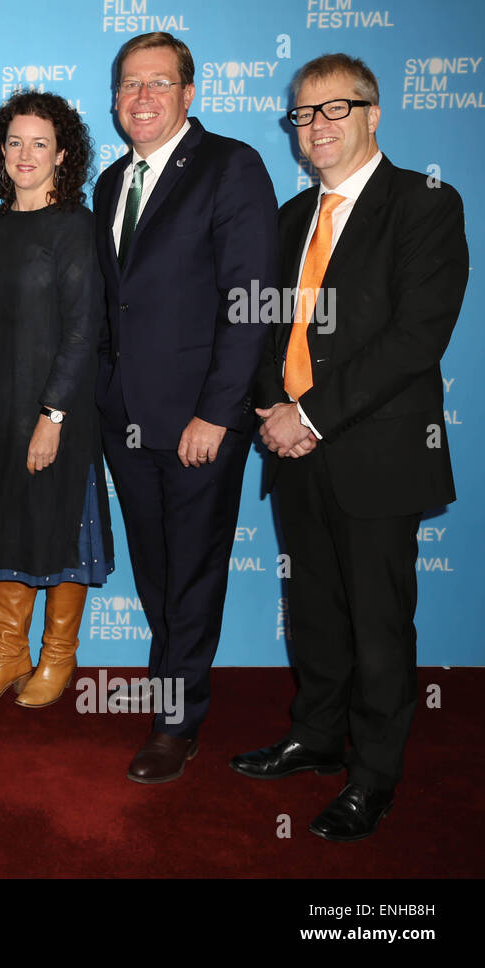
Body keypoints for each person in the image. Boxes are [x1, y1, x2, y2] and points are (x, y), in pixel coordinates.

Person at [232, 55, 469, 842]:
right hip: (293, 446)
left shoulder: (426, 205)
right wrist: (272, 405)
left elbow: (414, 337)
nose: (317, 127)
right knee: (317, 613)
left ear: (375, 113)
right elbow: (268, 321)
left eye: (336, 109)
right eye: (303, 114)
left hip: (374, 452)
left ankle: (373, 776)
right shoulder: (293, 216)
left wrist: (312, 416)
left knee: (378, 624)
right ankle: (316, 735)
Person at [93, 32, 277, 782]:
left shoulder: (230, 167)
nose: (142, 97)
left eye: (159, 83)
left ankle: (178, 720)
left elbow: (249, 302)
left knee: (194, 574)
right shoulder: (111, 182)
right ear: (114, 99)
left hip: (200, 420)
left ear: (189, 94)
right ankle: (175, 686)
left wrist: (219, 412)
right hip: (125, 422)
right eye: (130, 84)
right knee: (159, 575)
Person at [0, 91, 113, 710]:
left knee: (59, 530)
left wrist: (52, 417)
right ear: (2, 152)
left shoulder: (75, 225)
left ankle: (57, 659)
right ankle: (7, 655)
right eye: (15, 142)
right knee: (8, 528)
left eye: (39, 144)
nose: (25, 154)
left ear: (62, 155)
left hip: (57, 414)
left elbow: (83, 329)